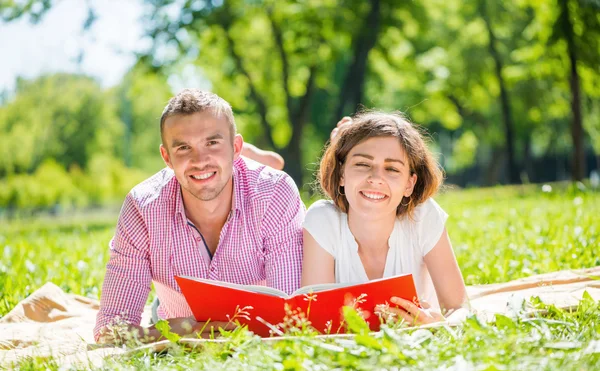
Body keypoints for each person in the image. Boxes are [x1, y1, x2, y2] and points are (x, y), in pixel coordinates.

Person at [94, 89, 304, 343]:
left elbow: (294, 317)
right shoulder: (142, 207)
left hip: (254, 329)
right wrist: (175, 330)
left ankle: (250, 157)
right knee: (159, 309)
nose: (199, 160)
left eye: (212, 143)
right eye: (183, 148)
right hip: (175, 312)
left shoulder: (275, 193)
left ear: (235, 146)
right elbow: (110, 329)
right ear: (166, 157)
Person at [302, 111, 468, 326]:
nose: (376, 179)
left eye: (391, 169)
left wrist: (434, 325)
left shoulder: (423, 217)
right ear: (342, 174)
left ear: (409, 184)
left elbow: (461, 309)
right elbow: (313, 319)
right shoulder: (322, 220)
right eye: (363, 164)